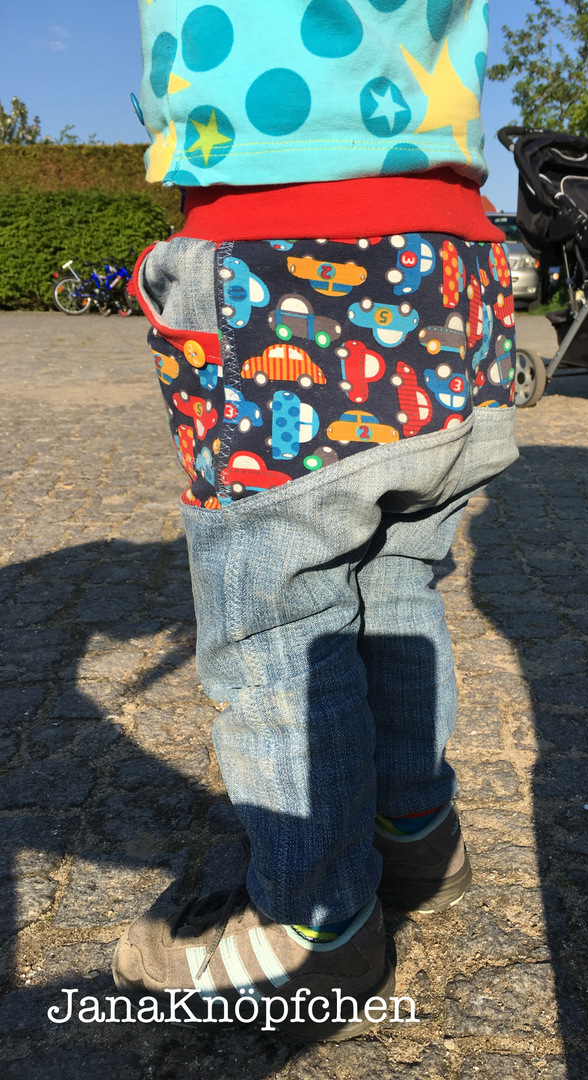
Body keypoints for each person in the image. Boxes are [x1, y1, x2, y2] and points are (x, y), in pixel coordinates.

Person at [113, 0, 519, 1039]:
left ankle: (317, 925)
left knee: (277, 621)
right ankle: (416, 837)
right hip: (451, 254)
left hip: (278, 252)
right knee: (399, 573)